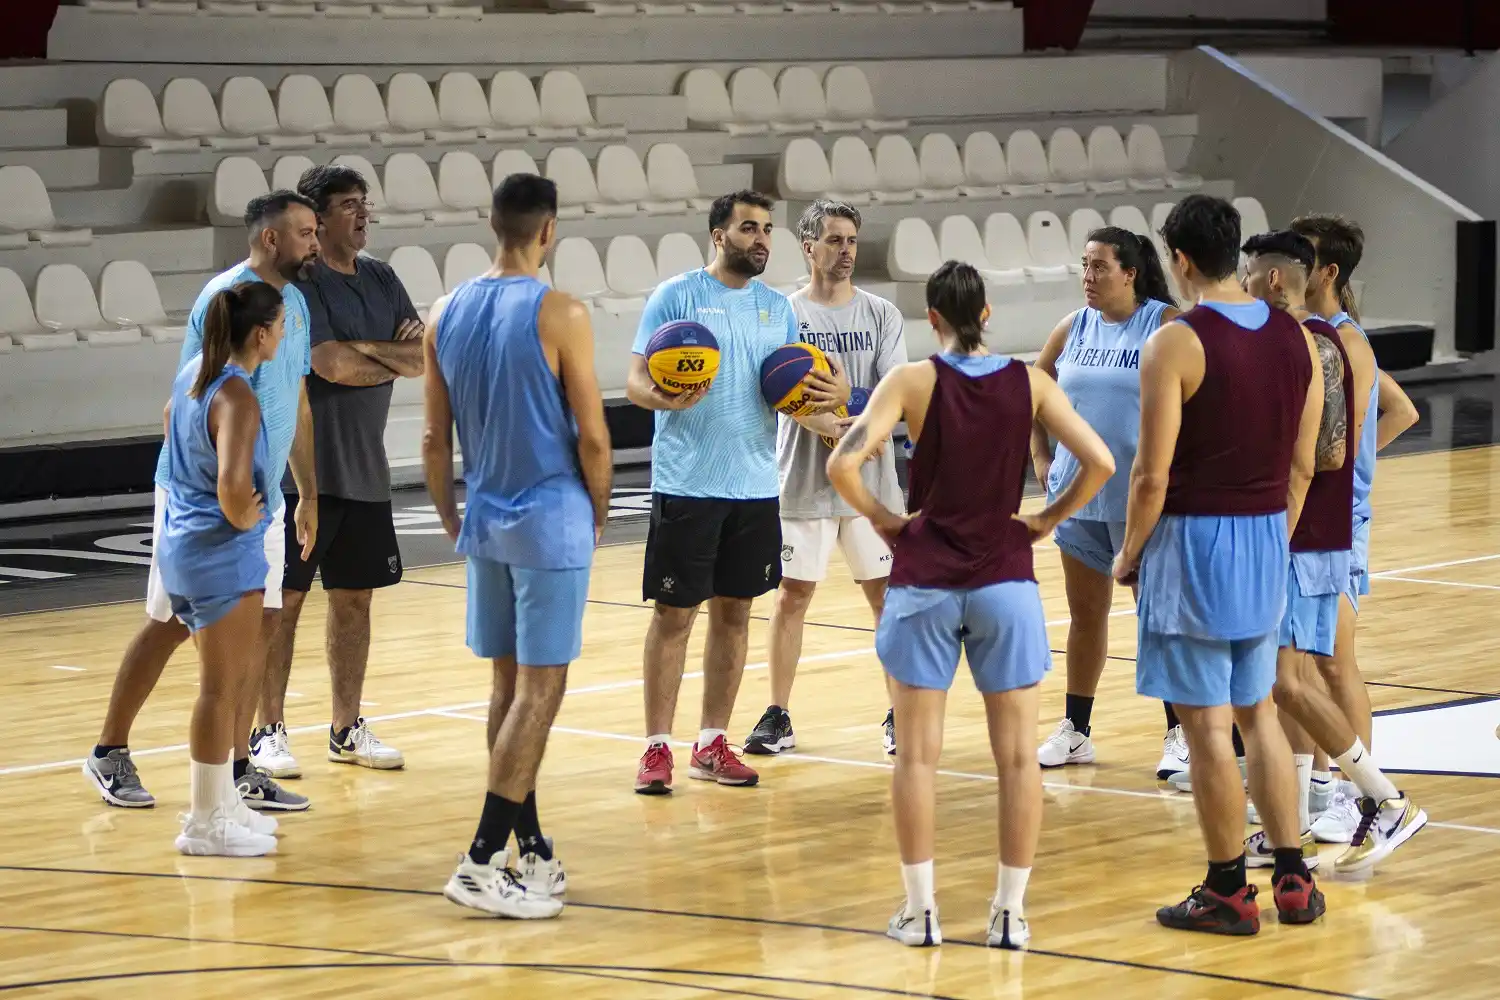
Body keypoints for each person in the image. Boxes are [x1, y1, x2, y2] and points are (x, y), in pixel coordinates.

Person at [829, 260, 1113, 950]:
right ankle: (1009, 914)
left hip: (924, 580)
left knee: (916, 759)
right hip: (1005, 581)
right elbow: (1100, 462)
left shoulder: (910, 381)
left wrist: (884, 520)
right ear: (986, 313)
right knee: (1017, 760)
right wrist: (1045, 520)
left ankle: (921, 912)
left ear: (931, 318)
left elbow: (842, 463)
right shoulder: (1031, 383)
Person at [1114, 194, 1324, 934]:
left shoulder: (1175, 342)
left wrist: (1130, 552)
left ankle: (1228, 888)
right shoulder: (1296, 338)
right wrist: (1272, 537)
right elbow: (1303, 464)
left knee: (1205, 726)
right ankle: (1293, 877)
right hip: (1267, 535)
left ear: (1177, 259)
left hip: (1193, 541)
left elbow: (1151, 475)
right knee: (1258, 712)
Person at [83, 191, 319, 815]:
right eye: (305, 233)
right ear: (271, 238)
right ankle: (109, 750)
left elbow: (297, 401)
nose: (315, 244)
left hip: (260, 492)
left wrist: (306, 491)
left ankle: (237, 770)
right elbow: (183, 403)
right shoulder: (225, 300)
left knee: (262, 622)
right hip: (207, 497)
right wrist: (210, 495)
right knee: (171, 622)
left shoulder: (295, 305)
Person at [423, 174, 611, 917]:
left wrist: (450, 512)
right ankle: (477, 862)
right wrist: (600, 510)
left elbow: (433, 437)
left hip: (486, 516)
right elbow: (593, 437)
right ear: (548, 230)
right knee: (541, 691)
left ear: (492, 224)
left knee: (507, 689)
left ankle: (527, 847)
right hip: (550, 514)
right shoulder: (562, 311)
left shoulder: (445, 311)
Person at [626, 190, 848, 795]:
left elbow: (788, 396)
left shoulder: (777, 309)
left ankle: (711, 743)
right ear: (718, 235)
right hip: (687, 484)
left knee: (735, 615)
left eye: (768, 229)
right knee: (674, 617)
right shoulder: (676, 296)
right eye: (749, 228)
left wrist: (835, 425)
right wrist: (663, 398)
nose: (762, 239)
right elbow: (635, 381)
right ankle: (655, 748)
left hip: (754, 488)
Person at [250, 164, 420, 778]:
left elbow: (421, 357)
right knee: (284, 604)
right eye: (349, 204)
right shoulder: (305, 286)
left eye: (364, 202)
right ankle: (266, 730)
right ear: (317, 220)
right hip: (303, 478)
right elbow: (327, 365)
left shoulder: (383, 277)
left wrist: (367, 353)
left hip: (366, 472)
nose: (363, 213)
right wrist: (386, 354)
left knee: (355, 602)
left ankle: (346, 728)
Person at [743, 199, 907, 759]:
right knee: (792, 595)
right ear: (808, 247)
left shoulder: (881, 314)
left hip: (871, 485)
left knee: (886, 597)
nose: (846, 251)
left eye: (851, 240)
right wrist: (838, 428)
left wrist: (850, 404)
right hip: (802, 479)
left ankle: (901, 712)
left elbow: (896, 393)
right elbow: (775, 393)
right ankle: (778, 715)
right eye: (834, 240)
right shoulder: (783, 314)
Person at [1029, 226, 1186, 780]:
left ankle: (1180, 732)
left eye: (1099, 266)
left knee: (1157, 621)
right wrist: (1041, 457)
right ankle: (1076, 730)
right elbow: (1035, 388)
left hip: (1141, 502)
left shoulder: (1165, 325)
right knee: (1085, 617)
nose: (1088, 276)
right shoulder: (1073, 326)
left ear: (1130, 273)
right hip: (1078, 498)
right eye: (1085, 265)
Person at [1290, 215, 1421, 847]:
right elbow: (1403, 411)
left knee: (1334, 664)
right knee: (1299, 665)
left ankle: (1362, 798)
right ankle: (1310, 796)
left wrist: (1354, 475)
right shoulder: (1311, 335)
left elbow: (1361, 430)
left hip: (1338, 522)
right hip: (1311, 516)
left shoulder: (1347, 342)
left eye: (1301, 258)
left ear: (1328, 271)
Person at [160, 282, 287, 857]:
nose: (282, 335)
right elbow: (234, 486)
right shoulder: (237, 396)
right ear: (260, 334)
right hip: (220, 556)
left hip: (183, 548)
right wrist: (245, 515)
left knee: (224, 687)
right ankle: (205, 821)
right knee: (220, 691)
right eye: (279, 326)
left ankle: (222, 802)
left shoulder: (194, 375)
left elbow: (170, 422)